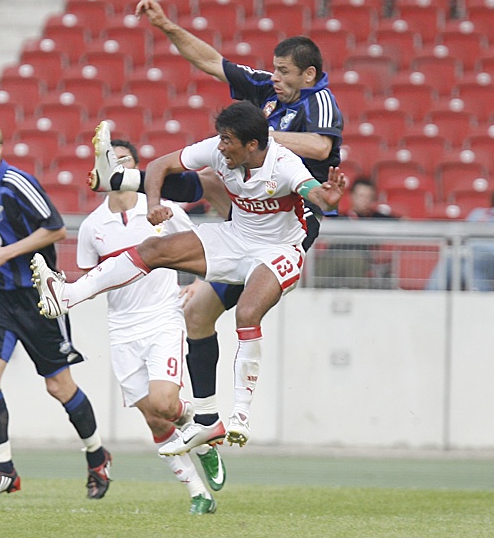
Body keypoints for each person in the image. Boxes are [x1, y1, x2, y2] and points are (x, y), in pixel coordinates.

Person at [88, 0, 344, 453]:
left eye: (284, 71)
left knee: (212, 178)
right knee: (197, 314)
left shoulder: (319, 101)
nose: (275, 77)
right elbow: (211, 61)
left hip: (288, 223)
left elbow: (322, 148)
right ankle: (207, 421)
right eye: (274, 69)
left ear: (307, 74)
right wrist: (166, 25)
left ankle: (124, 178)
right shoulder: (267, 90)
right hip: (247, 220)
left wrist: (260, 136)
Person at [33, 103, 346, 455]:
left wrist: (327, 197)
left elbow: (313, 192)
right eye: (221, 139)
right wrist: (153, 203)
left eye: (228, 141)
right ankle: (68, 295)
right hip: (235, 238)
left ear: (252, 145)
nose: (221, 147)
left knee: (247, 313)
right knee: (153, 249)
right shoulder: (219, 150)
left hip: (279, 250)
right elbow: (159, 165)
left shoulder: (284, 164)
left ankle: (240, 415)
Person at [0, 116, 112, 499]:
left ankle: (97, 457)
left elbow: (56, 228)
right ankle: (4, 470)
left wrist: (5, 254)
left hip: (39, 297)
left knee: (58, 386)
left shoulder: (16, 183)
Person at [77, 137, 224, 515]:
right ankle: (198, 493)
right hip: (121, 329)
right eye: (111, 160)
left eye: (124, 160)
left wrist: (200, 283)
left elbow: (203, 246)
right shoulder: (92, 227)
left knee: (164, 403)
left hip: (162, 318)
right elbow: (92, 279)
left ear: (135, 169)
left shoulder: (161, 209)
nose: (118, 166)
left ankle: (203, 430)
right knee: (154, 418)